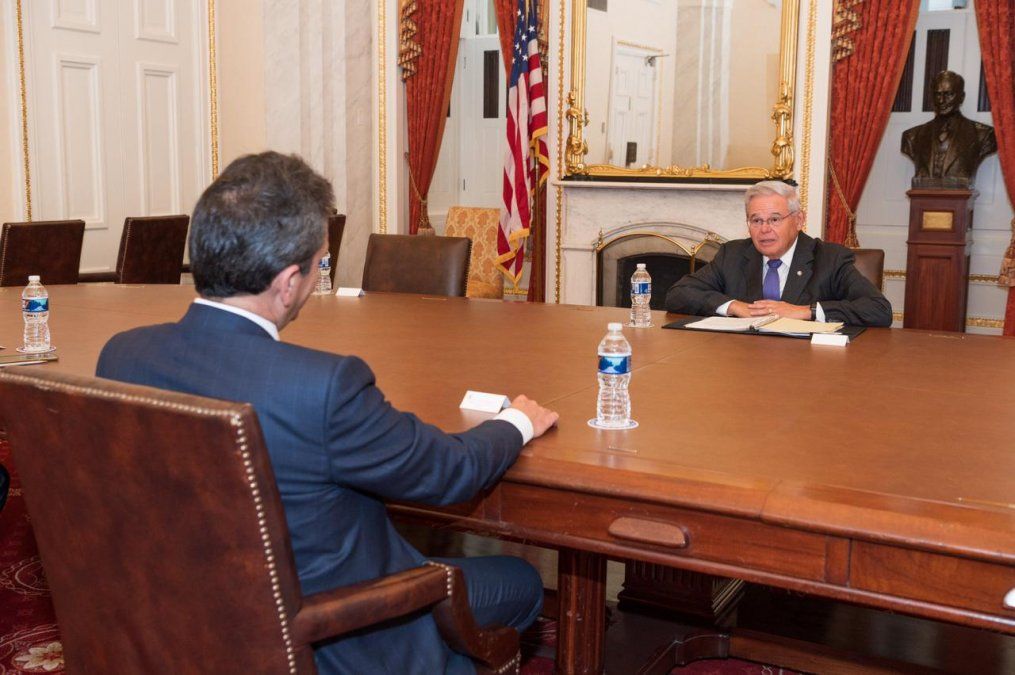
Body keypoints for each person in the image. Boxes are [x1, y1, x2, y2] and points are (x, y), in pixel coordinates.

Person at [96, 152, 559, 674]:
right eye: (320, 266)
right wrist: (516, 421)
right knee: (520, 583)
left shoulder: (122, 354)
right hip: (333, 633)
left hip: (184, 613)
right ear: (289, 280)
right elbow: (448, 474)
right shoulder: (323, 387)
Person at [664, 180, 892, 327]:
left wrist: (805, 312)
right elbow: (678, 294)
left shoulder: (830, 258)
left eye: (774, 219)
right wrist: (735, 306)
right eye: (756, 220)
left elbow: (879, 310)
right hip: (743, 362)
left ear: (799, 220)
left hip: (808, 367)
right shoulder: (732, 254)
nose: (764, 229)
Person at [901, 70, 997, 188]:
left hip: (959, 200)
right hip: (923, 199)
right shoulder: (912, 136)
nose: (941, 101)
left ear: (961, 97)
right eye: (937, 94)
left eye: (949, 94)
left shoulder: (983, 135)